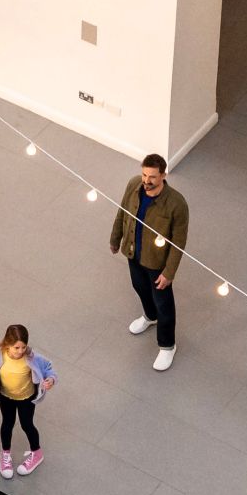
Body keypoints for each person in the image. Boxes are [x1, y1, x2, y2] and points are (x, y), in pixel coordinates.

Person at [108, 154, 190, 372]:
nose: (147, 180)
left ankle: (167, 345)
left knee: (164, 304)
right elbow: (122, 212)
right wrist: (115, 239)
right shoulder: (134, 185)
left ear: (163, 175)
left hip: (157, 263)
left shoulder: (176, 204)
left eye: (152, 176)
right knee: (139, 287)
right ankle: (149, 316)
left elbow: (179, 242)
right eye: (145, 174)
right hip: (133, 253)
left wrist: (169, 272)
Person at [0, 324, 55, 478]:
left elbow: (48, 368)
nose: (20, 351)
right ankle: (5, 455)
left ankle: (37, 453)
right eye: (16, 347)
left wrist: (51, 379)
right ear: (7, 344)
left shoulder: (31, 357)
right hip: (6, 396)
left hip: (27, 398)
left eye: (23, 347)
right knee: (7, 423)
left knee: (27, 424)